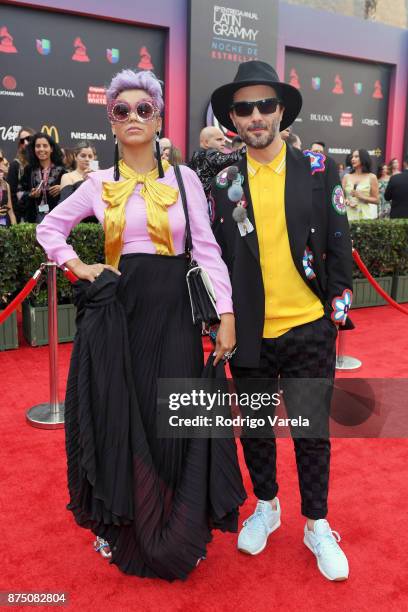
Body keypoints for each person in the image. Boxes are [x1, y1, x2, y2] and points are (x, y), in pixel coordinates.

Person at [36, 68, 245, 581]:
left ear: (158, 119)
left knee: (171, 415)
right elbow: (49, 228)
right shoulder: (97, 184)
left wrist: (227, 312)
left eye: (143, 109)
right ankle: (127, 527)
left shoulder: (184, 179)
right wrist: (79, 266)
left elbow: (208, 250)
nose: (133, 117)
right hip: (118, 315)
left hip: (173, 311)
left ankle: (178, 528)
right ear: (110, 121)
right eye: (121, 110)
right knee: (120, 417)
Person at [210, 60, 353, 581]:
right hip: (248, 334)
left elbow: (340, 243)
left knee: (312, 433)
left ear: (280, 110)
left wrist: (334, 317)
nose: (255, 115)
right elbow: (215, 259)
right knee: (254, 430)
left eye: (264, 105)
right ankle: (266, 506)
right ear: (232, 117)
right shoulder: (224, 180)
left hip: (309, 327)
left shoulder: (317, 167)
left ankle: (316, 523)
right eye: (244, 107)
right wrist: (218, 321)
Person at [20, 132, 66, 222]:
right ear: (34, 149)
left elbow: (73, 193)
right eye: (38, 146)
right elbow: (19, 193)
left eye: (45, 146)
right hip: (33, 219)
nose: (41, 149)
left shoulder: (62, 171)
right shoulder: (29, 170)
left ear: (51, 148)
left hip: (57, 220)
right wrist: (30, 194)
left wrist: (62, 188)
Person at [6, 126, 35, 223]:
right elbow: (12, 195)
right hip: (23, 218)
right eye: (22, 141)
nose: (26, 143)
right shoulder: (15, 165)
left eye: (28, 139)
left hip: (41, 214)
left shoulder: (42, 163)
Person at [342, 149, 379, 220]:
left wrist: (361, 196)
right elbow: (339, 197)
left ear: (363, 158)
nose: (353, 159)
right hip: (347, 216)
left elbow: (376, 200)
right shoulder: (346, 177)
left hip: (364, 216)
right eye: (352, 157)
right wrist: (347, 202)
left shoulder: (372, 177)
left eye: (356, 157)